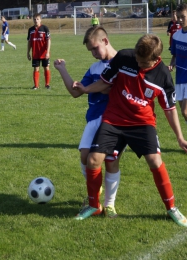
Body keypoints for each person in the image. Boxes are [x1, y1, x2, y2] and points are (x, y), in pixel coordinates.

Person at [73, 34, 187, 227]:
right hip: (114, 120)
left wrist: (180, 138)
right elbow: (105, 82)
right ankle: (94, 206)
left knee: (155, 160)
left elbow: (170, 109)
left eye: (142, 62)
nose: (138, 63)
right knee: (93, 160)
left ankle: (171, 208)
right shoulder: (125, 57)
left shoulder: (163, 76)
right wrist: (85, 89)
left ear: (155, 59)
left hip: (142, 124)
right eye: (137, 58)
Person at [54, 26, 121, 218]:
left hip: (112, 118)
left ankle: (109, 205)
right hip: (93, 118)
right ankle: (95, 194)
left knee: (110, 160)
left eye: (94, 49)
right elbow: (77, 92)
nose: (93, 53)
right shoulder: (94, 68)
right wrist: (62, 70)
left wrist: (90, 88)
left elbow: (111, 90)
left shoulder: (122, 63)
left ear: (105, 41)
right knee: (85, 157)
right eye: (90, 51)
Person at [169, 3, 187, 123]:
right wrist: (172, 64)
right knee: (184, 114)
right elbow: (174, 55)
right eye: (179, 17)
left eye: (183, 17)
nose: (180, 20)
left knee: (185, 111)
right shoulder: (176, 36)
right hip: (179, 79)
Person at [27, 13, 51, 90]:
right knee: (36, 69)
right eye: (34, 19)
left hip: (44, 53)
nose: (36, 21)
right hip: (35, 54)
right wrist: (28, 52)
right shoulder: (30, 30)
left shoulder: (45, 28)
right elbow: (29, 42)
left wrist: (47, 52)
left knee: (46, 68)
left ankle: (47, 85)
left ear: (40, 20)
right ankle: (36, 86)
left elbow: (49, 41)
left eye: (37, 19)